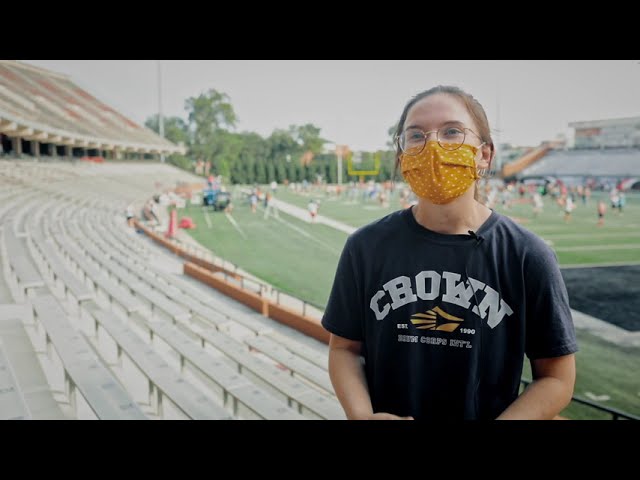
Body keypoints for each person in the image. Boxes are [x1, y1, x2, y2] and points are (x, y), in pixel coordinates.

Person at [322, 86, 577, 420]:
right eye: (415, 136)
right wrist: (363, 416)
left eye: (452, 132)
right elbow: (344, 350)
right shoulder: (365, 247)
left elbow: (557, 377)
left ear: (484, 154)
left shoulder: (527, 255)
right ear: (402, 157)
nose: (433, 146)